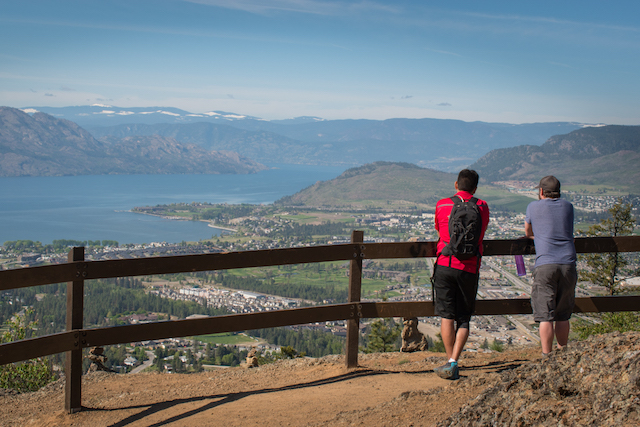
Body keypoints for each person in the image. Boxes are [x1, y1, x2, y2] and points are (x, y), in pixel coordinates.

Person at [432, 169, 490, 380]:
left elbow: (440, 231)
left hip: (445, 264)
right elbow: (481, 233)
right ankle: (455, 360)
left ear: (456, 185)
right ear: (475, 188)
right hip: (470, 268)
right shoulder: (482, 206)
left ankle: (450, 363)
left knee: (447, 315)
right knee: (464, 318)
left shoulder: (442, 204)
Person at [524, 175, 577, 357]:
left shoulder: (533, 207)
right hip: (568, 263)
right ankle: (563, 353)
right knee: (563, 314)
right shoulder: (568, 207)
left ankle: (547, 355)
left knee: (545, 315)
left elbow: (528, 232)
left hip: (546, 263)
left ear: (541, 192)